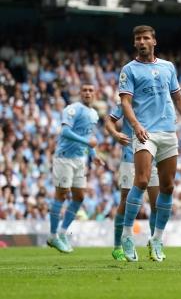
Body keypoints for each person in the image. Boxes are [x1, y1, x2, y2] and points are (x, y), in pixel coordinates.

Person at [118, 25, 181, 262]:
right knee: (142, 180)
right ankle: (127, 235)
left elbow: (177, 97)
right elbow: (125, 102)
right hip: (145, 132)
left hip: (168, 131)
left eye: (146, 38)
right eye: (138, 39)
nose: (142, 42)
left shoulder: (168, 67)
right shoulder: (129, 70)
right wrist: (136, 125)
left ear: (154, 41)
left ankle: (157, 239)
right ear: (134, 43)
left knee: (168, 187)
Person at [47, 83, 103, 253]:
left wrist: (94, 155)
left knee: (79, 196)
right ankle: (52, 236)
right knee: (62, 194)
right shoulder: (73, 109)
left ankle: (63, 232)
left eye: (91, 90)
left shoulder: (94, 114)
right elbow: (65, 131)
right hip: (64, 157)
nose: (87, 93)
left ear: (95, 93)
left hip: (79, 159)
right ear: (80, 93)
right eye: (84, 90)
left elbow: (88, 136)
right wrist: (87, 142)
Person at [105, 96, 160, 261]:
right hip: (130, 155)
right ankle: (118, 247)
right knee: (125, 201)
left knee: (156, 203)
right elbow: (109, 121)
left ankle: (155, 243)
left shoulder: (158, 101)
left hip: (153, 157)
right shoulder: (126, 103)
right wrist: (115, 134)